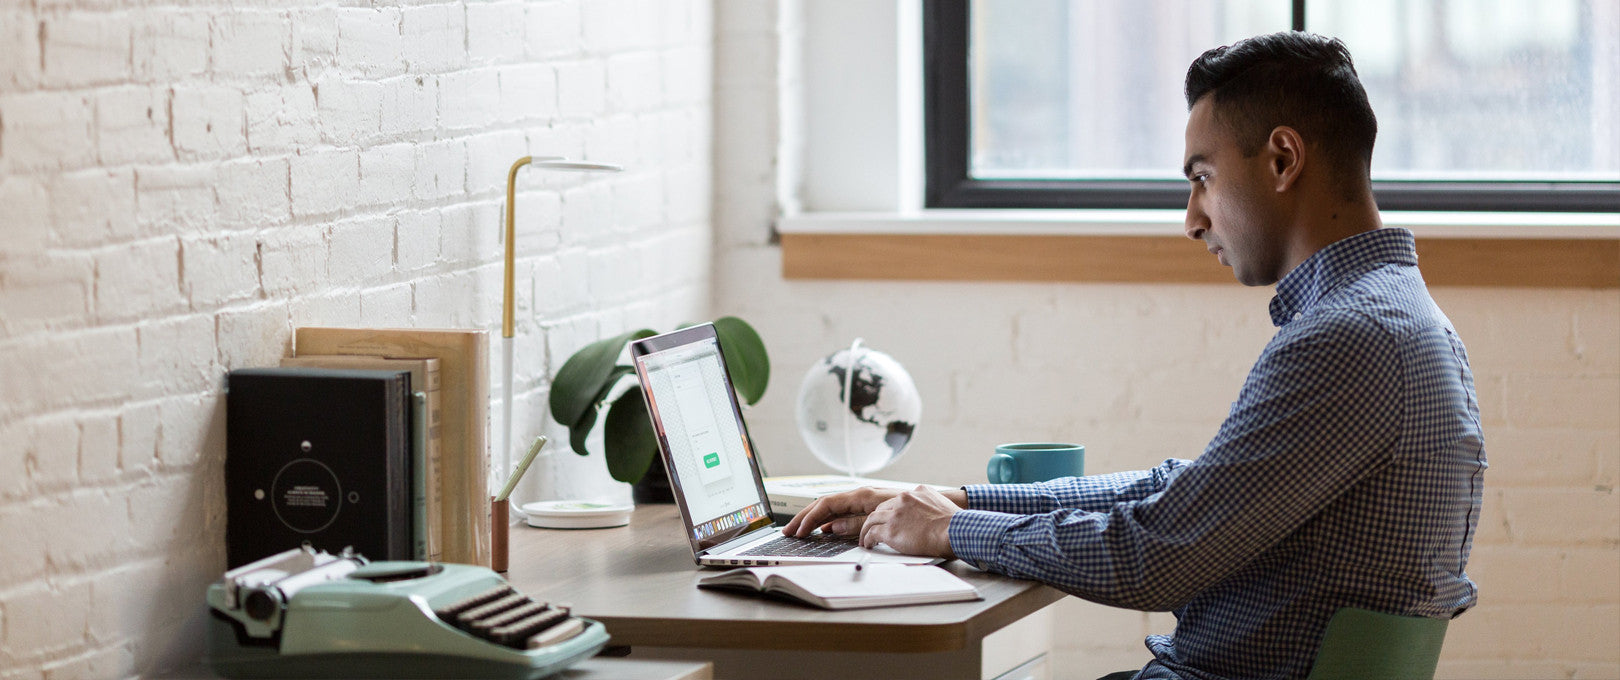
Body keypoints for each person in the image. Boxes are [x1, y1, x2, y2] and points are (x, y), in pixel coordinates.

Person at [784, 31, 1486, 680]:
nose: (1191, 218)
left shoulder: (1350, 340)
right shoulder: (1395, 321)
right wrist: (960, 500)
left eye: (1202, 176)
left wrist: (950, 530)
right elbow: (1186, 491)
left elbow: (1158, 556)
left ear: (1282, 159)